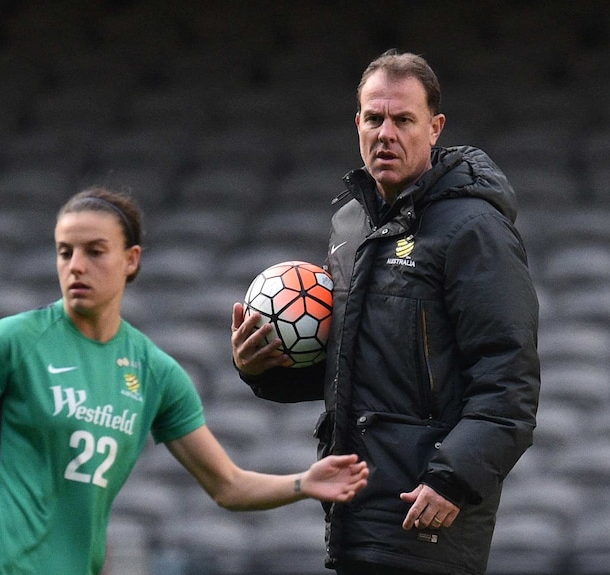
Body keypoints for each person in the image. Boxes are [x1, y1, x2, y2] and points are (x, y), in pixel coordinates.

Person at [0, 187, 369, 575]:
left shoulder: (155, 373)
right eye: (64, 252)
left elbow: (229, 486)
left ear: (131, 259)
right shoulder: (14, 340)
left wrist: (305, 482)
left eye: (94, 251)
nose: (76, 266)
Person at [231, 49, 540, 575]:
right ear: (357, 123)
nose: (385, 133)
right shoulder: (351, 226)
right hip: (356, 514)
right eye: (374, 118)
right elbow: (360, 364)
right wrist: (264, 370)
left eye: (403, 120)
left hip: (427, 515)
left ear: (435, 127)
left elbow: (509, 382)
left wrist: (453, 479)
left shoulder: (474, 230)